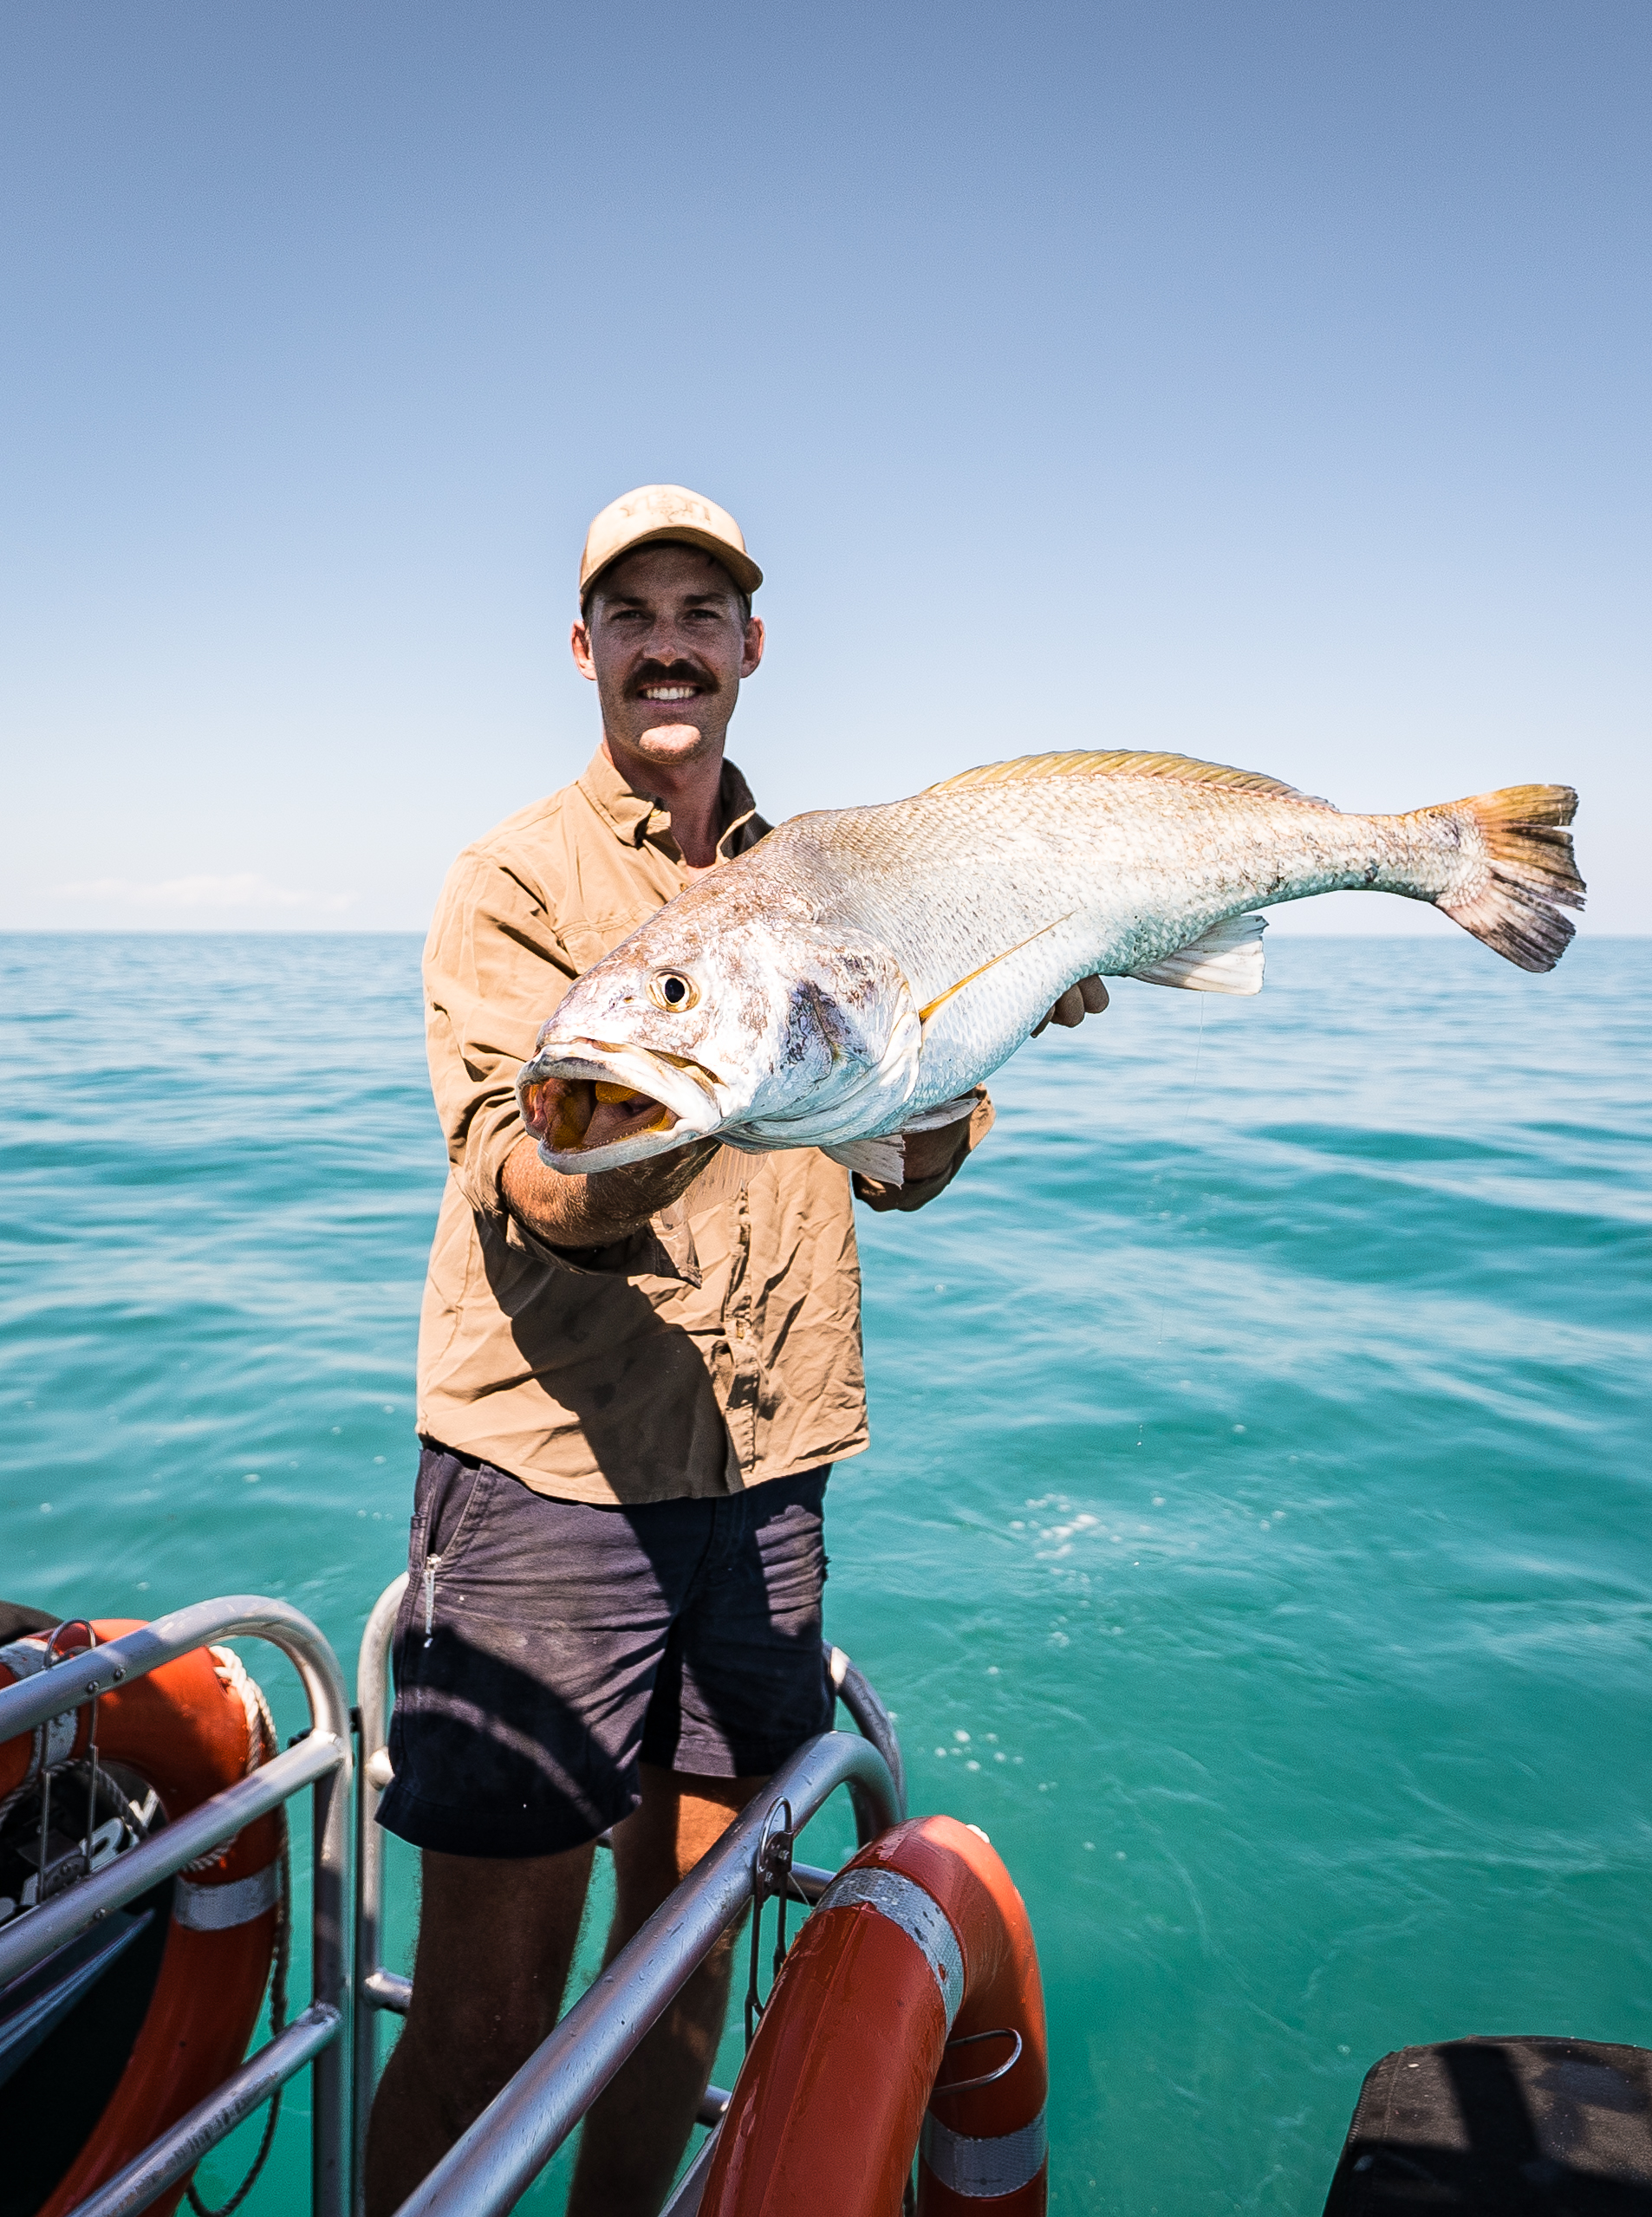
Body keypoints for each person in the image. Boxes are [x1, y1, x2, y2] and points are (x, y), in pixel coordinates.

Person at [364, 484, 1108, 2217]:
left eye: (702, 610)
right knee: (483, 2013)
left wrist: (966, 1041)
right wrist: (720, 1066)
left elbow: (907, 1155)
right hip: (554, 1489)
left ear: (750, 646)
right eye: (633, 616)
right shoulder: (515, 881)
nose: (669, 644)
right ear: (586, 653)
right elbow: (530, 1178)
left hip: (769, 1488)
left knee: (685, 1978)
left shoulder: (832, 875)